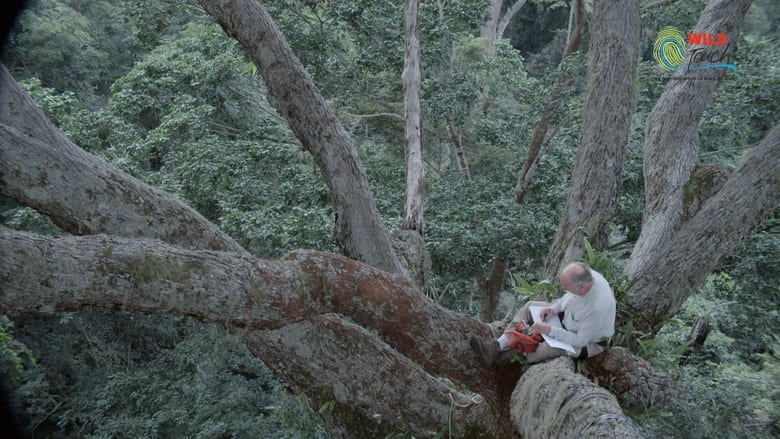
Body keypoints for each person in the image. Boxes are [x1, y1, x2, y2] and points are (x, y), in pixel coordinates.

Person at [470, 262, 616, 366]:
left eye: (567, 287)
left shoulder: (597, 308)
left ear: (582, 287)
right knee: (531, 307)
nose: (565, 290)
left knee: (541, 351)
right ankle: (496, 346)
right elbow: (569, 297)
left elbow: (580, 340)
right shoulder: (588, 277)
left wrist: (549, 330)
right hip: (568, 318)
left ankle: (513, 356)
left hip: (587, 342)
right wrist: (553, 309)